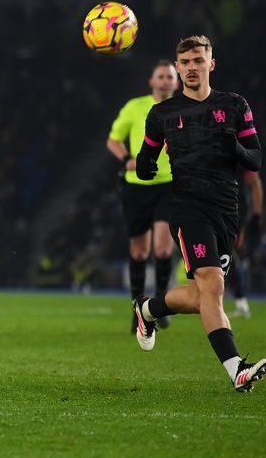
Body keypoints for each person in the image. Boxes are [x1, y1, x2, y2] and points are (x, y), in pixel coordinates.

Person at [133, 35, 266, 392]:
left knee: (203, 296)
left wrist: (237, 148)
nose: (191, 67)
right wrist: (146, 168)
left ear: (211, 64)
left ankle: (148, 309)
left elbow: (255, 158)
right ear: (177, 69)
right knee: (211, 282)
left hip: (226, 209)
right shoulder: (162, 113)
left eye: (198, 60)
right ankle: (236, 368)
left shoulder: (235, 105)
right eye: (185, 62)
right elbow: (147, 159)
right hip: (187, 207)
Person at [106, 60, 178, 333]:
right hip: (136, 185)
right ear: (151, 81)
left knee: (162, 248)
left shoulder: (182, 108)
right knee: (139, 250)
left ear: (176, 82)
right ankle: (138, 310)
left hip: (169, 184)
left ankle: (159, 307)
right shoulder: (135, 107)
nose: (165, 81)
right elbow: (113, 139)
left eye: (169, 77)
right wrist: (126, 158)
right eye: (160, 76)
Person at [226, 170, 263, 318]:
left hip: (233, 210)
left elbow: (255, 182)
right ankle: (240, 303)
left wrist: (256, 216)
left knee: (227, 253)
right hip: (226, 208)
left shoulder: (240, 153)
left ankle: (241, 303)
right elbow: (255, 183)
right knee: (227, 254)